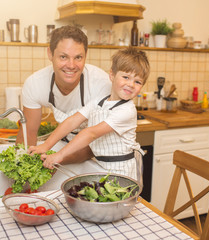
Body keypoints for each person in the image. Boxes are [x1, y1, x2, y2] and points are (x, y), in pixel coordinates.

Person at [29, 47, 150, 179]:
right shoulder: (99, 101)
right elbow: (72, 121)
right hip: (102, 166)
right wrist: (46, 146)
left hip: (122, 173)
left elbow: (90, 133)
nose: (131, 84)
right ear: (112, 75)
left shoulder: (126, 110)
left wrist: (59, 155)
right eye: (126, 77)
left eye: (137, 81)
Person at [16, 25, 111, 163]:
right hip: (64, 149)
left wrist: (57, 159)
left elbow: (97, 141)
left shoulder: (101, 84)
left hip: (101, 155)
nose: (71, 65)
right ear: (50, 54)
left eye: (78, 57)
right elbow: (29, 133)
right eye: (63, 57)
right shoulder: (35, 83)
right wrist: (21, 165)